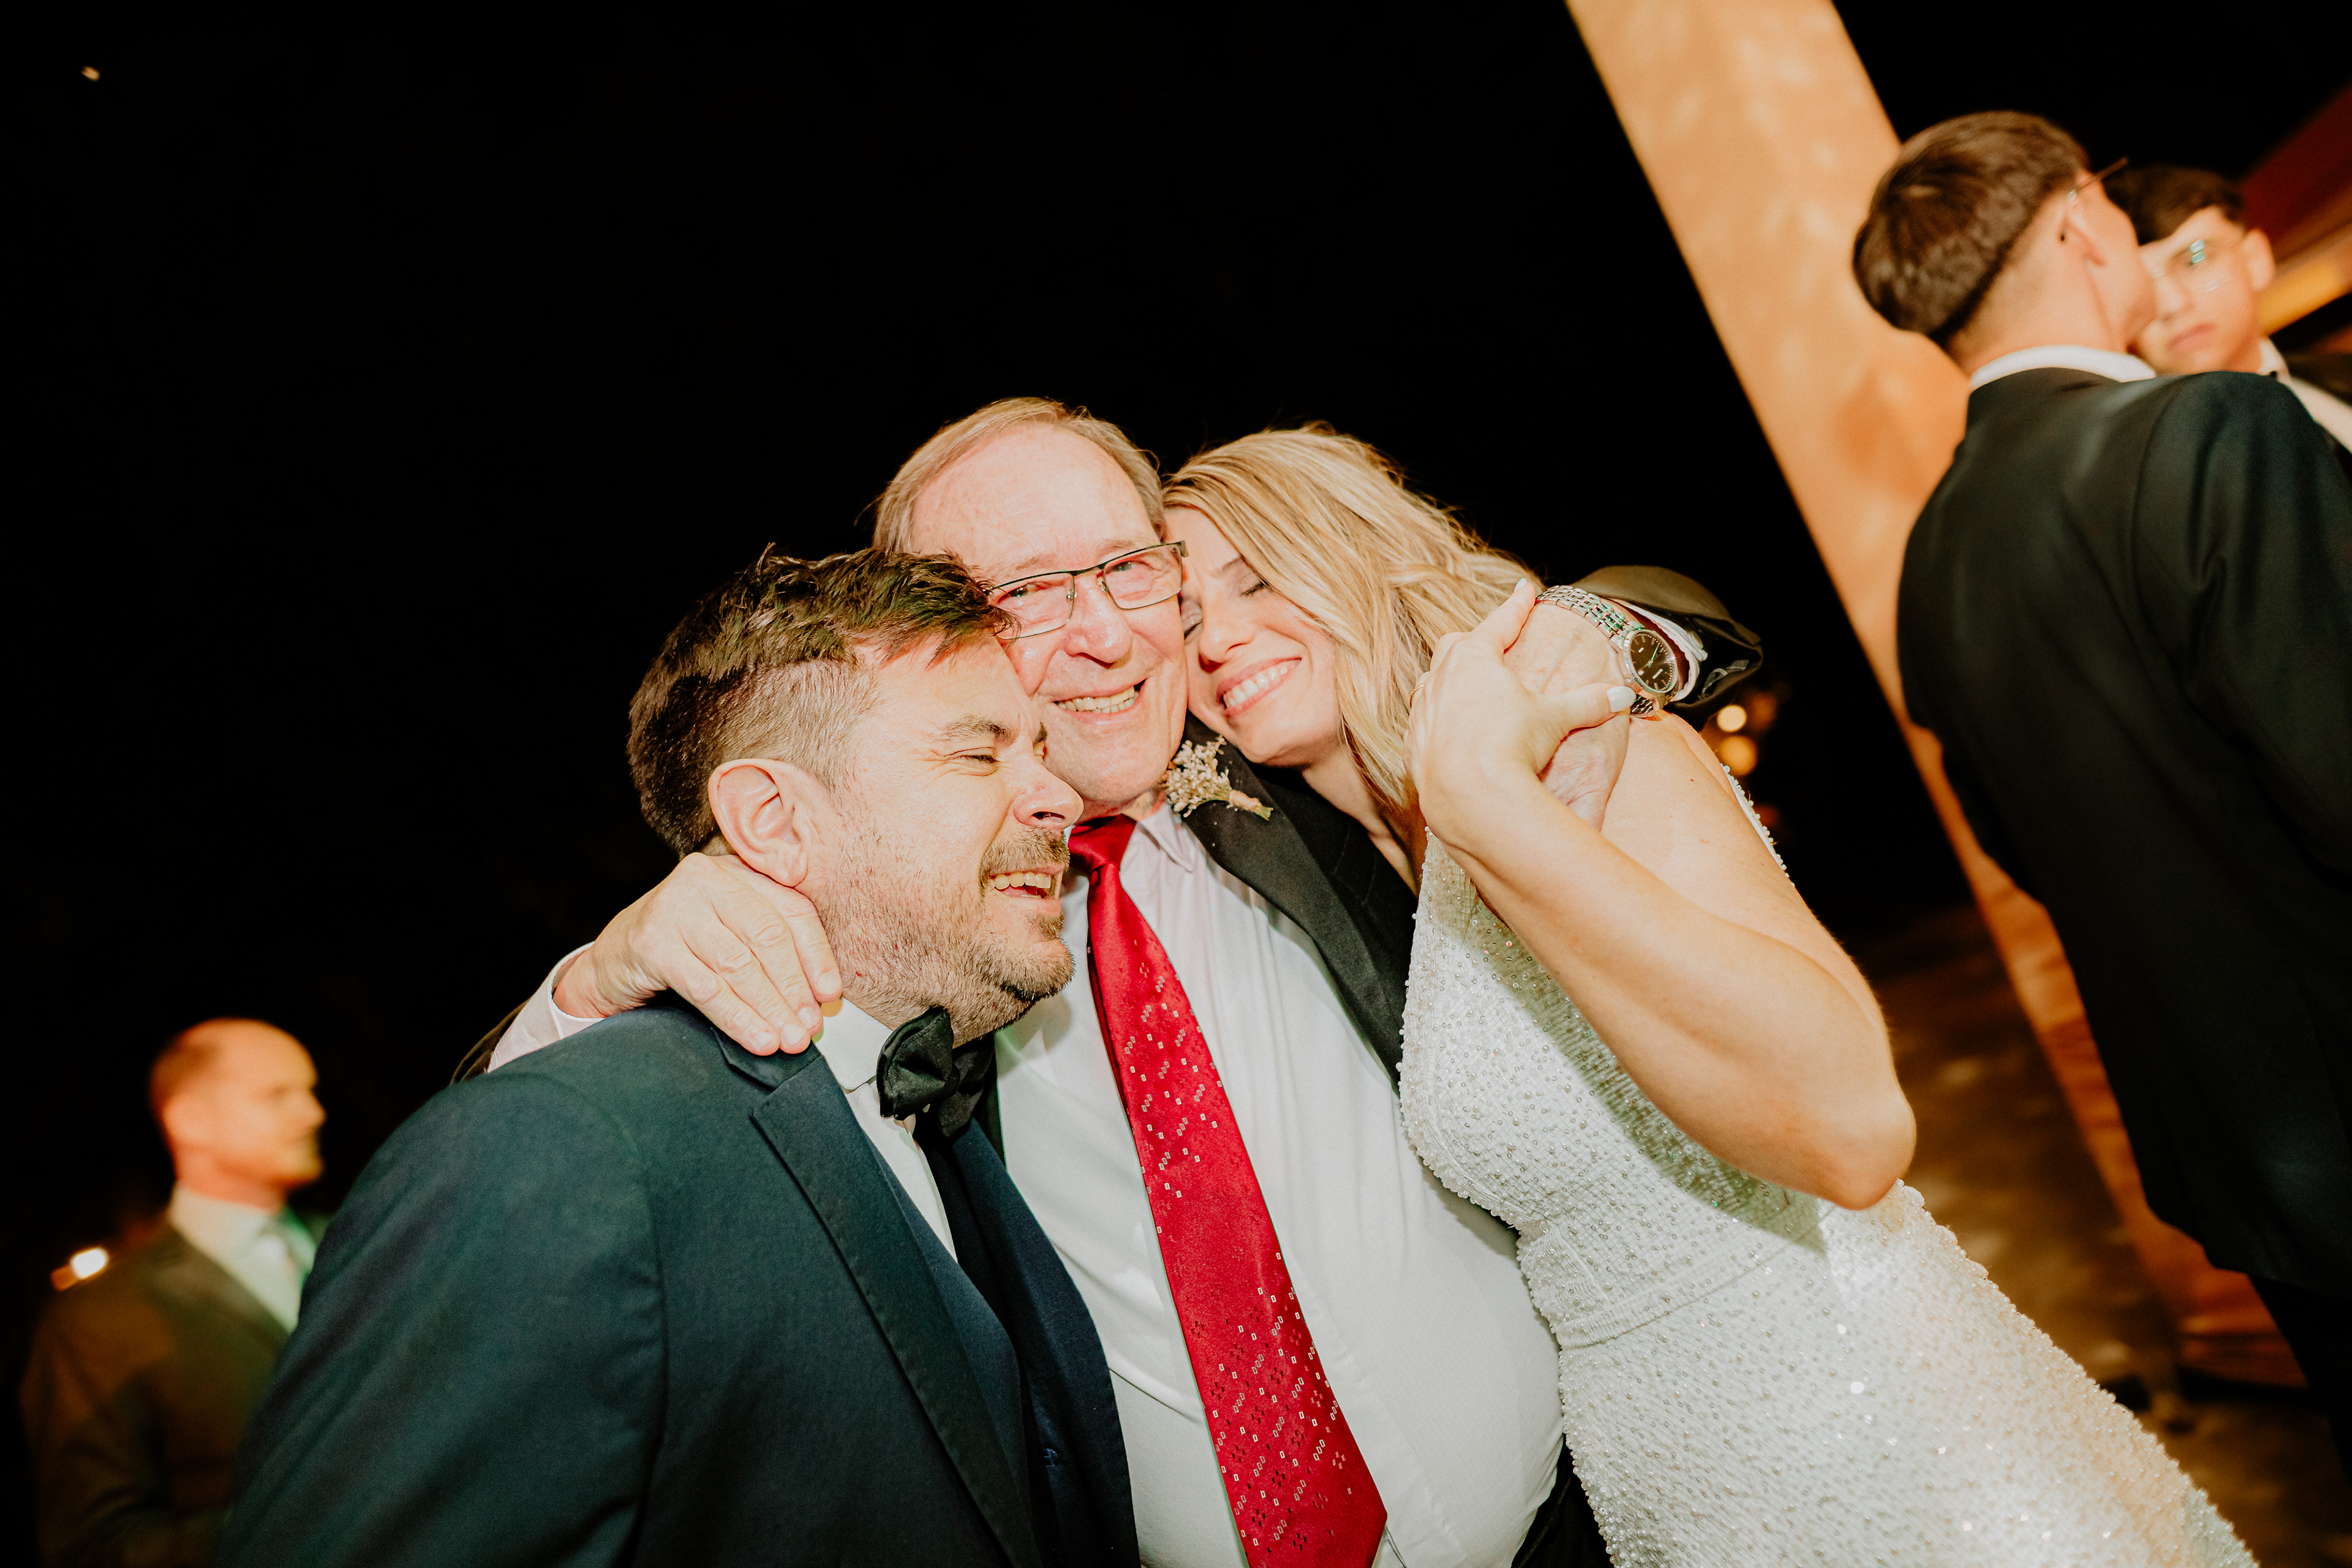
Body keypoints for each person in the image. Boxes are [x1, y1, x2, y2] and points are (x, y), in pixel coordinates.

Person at [477, 397, 1758, 1567]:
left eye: (1127, 567)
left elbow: (1661, 609)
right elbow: (530, 1192)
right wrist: (601, 977)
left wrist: (1589, 639)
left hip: (1578, 1530)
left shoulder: (1306, 763)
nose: (1103, 634)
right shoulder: (897, 923)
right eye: (1025, 594)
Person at [1163, 424, 2260, 1564]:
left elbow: (1852, 1132)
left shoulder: (1582, 755)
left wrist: (1518, 765)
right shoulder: (1328, 860)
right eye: (1184, 619)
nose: (1219, 640)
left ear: (1353, 556)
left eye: (1256, 578)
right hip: (1666, 1475)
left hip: (1857, 1415)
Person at [220, 551, 1135, 1568]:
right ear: (774, 821)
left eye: (1040, 751)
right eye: (978, 753)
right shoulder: (567, 1150)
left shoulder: (956, 1114)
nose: (1058, 795)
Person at [1854, 111, 2352, 1480]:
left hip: (2243, 1153)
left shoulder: (1934, 565)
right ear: (2082, 220)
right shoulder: (2213, 428)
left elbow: (2030, 846)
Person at [21, 1019, 326, 1568]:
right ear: (191, 1120)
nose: (312, 1113)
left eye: (309, 1091)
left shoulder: (363, 1243)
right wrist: (315, 1518)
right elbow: (91, 1547)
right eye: (276, 1094)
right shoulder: (99, 1316)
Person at [2109, 163, 2352, 448]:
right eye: (2138, 285)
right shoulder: (2141, 459)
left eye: (2195, 260)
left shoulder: (2340, 374)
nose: (2172, 305)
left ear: (2255, 260)